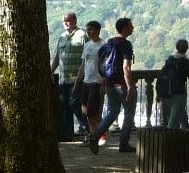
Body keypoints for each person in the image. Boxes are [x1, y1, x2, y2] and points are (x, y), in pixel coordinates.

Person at [97, 17, 137, 153]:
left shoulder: (110, 42)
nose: (133, 28)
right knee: (129, 113)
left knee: (112, 112)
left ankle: (95, 135)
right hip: (122, 85)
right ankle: (123, 143)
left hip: (109, 83)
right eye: (131, 26)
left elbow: (104, 64)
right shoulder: (125, 44)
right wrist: (130, 86)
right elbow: (126, 67)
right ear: (125, 27)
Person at [50, 11, 88, 140]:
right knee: (64, 106)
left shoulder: (82, 35)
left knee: (75, 105)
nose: (66, 22)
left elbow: (88, 57)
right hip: (63, 78)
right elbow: (57, 57)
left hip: (77, 78)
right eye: (64, 20)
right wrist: (51, 71)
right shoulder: (61, 37)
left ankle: (88, 130)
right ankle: (66, 135)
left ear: (75, 21)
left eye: (68, 20)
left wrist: (83, 76)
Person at [75, 20, 105, 153]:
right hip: (86, 81)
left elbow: (106, 65)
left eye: (90, 29)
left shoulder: (103, 45)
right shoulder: (87, 45)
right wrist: (77, 81)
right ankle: (96, 135)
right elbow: (83, 64)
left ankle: (97, 135)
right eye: (87, 30)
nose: (88, 32)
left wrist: (104, 82)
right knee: (85, 111)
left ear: (98, 30)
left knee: (92, 111)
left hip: (96, 81)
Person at [160, 38, 189, 128]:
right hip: (179, 94)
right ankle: (171, 140)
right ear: (187, 49)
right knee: (172, 125)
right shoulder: (185, 62)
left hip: (166, 94)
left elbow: (162, 75)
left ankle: (186, 136)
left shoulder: (170, 60)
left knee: (182, 115)